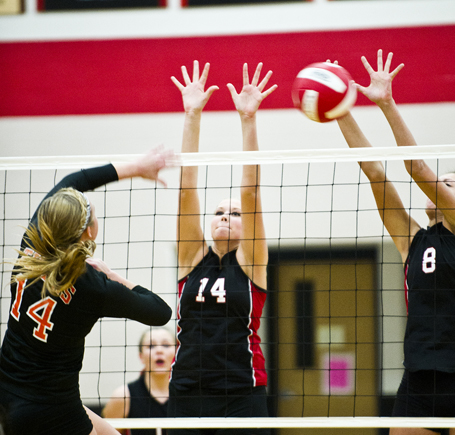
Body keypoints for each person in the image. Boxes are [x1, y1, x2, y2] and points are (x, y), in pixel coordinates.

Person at [335, 50, 455, 434]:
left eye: (448, 183)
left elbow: (416, 168)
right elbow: (376, 172)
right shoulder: (412, 240)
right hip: (419, 381)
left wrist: (387, 104)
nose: (436, 185)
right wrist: (340, 109)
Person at [0, 146, 176, 435]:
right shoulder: (93, 286)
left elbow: (73, 181)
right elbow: (160, 311)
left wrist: (136, 167)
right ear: (89, 232)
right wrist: (114, 276)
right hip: (52, 409)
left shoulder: (33, 240)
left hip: (10, 388)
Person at [167, 61, 276, 435]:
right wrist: (192, 114)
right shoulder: (192, 258)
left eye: (234, 213)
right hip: (188, 391)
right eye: (218, 212)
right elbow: (186, 188)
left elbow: (251, 192)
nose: (225, 216)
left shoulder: (252, 263)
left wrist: (248, 120)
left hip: (242, 392)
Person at [102, 327, 175, 435]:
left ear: (176, 353)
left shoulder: (189, 395)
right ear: (141, 356)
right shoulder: (123, 396)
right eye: (151, 346)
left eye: (166, 345)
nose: (159, 350)